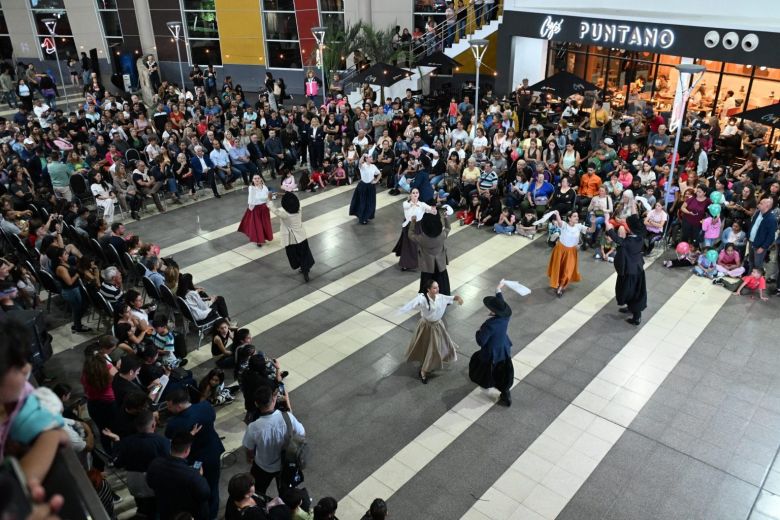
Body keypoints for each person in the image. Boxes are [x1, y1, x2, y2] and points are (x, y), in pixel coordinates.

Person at [165, 388, 225, 520]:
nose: (168, 409)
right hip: (212, 450)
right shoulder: (205, 406)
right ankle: (213, 514)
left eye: (169, 406)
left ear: (179, 406)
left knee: (197, 489)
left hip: (195, 457)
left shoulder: (175, 424)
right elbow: (212, 418)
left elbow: (171, 440)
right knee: (213, 486)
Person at [242, 384, 306, 496]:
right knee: (285, 493)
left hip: (262, 466)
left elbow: (249, 449)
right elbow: (302, 433)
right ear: (273, 399)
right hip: (285, 464)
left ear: (256, 404)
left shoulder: (253, 427)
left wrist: (250, 458)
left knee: (258, 491)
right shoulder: (287, 417)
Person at [401, 279, 463, 384]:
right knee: (430, 346)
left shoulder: (441, 297)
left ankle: (427, 365)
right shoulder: (423, 299)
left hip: (437, 326)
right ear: (428, 289)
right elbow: (414, 304)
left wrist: (460, 298)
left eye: (437, 287)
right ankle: (423, 371)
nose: (437, 289)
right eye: (434, 288)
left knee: (434, 346)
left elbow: (454, 297)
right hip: (426, 326)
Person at [146, 432, 211, 520]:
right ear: (187, 451)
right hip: (188, 513)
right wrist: (199, 476)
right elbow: (205, 494)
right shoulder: (193, 476)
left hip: (166, 509)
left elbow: (150, 483)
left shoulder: (155, 463)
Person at [469, 282, 514, 406]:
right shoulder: (506, 316)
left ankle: (488, 382)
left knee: (481, 364)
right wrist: (498, 289)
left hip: (491, 352)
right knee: (503, 371)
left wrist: (479, 330)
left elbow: (481, 341)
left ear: (493, 312)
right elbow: (501, 304)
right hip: (504, 348)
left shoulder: (490, 325)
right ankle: (505, 393)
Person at [606, 215, 647, 325]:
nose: (626, 226)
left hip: (631, 271)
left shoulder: (630, 242)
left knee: (632, 293)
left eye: (627, 225)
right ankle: (630, 307)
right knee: (631, 291)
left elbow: (619, 240)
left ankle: (636, 317)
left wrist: (609, 228)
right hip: (635, 269)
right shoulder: (639, 236)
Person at [546, 210, 596, 297]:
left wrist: (593, 222)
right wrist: (557, 214)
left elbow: (592, 230)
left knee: (568, 271)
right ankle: (557, 284)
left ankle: (561, 287)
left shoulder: (579, 226)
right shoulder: (564, 225)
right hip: (560, 250)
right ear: (569, 218)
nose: (577, 218)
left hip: (571, 252)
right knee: (558, 268)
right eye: (574, 216)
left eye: (577, 216)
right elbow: (559, 222)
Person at [269, 192, 315, 282]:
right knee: (304, 254)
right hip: (301, 237)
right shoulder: (299, 210)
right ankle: (306, 270)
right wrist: (285, 194)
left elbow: (274, 210)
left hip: (291, 240)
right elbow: (294, 200)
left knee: (294, 255)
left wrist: (270, 200)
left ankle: (301, 267)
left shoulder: (285, 215)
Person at [409, 210, 451, 295]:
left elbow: (410, 234)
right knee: (442, 282)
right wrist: (446, 218)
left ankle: (427, 297)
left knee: (426, 282)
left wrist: (413, 222)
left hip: (427, 265)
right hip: (440, 265)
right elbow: (448, 228)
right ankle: (443, 297)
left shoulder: (421, 238)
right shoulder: (442, 235)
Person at [392, 188, 435, 271]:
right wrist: (414, 203)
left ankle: (423, 260)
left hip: (418, 227)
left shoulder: (422, 204)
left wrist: (434, 210)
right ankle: (406, 263)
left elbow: (432, 210)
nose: (415, 194)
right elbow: (407, 206)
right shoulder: (406, 203)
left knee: (417, 245)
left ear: (419, 194)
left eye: (417, 193)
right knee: (408, 245)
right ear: (410, 194)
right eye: (413, 193)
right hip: (408, 226)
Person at [238, 174, 274, 247]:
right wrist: (264, 198)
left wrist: (269, 206)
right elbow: (251, 201)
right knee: (258, 225)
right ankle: (259, 241)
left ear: (261, 179)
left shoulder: (265, 187)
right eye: (255, 178)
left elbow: (267, 199)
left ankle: (264, 237)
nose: (257, 180)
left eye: (258, 178)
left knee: (265, 224)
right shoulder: (251, 188)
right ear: (253, 180)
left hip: (264, 209)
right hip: (256, 209)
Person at [747, 197, 777, 271]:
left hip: (759, 246)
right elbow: (753, 225)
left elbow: (771, 236)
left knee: (757, 265)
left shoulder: (771, 219)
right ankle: (750, 278)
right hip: (751, 241)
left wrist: (763, 247)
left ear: (767, 206)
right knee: (751, 262)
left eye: (761, 203)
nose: (758, 204)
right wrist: (748, 236)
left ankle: (757, 281)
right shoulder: (758, 213)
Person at [349, 154, 380, 225]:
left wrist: (376, 181)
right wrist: (362, 156)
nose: (372, 158)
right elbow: (359, 163)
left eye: (371, 157)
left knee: (370, 202)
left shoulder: (373, 166)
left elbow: (379, 173)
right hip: (362, 186)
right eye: (370, 157)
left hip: (371, 186)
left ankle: (366, 216)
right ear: (366, 159)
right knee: (362, 202)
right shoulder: (363, 166)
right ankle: (362, 218)